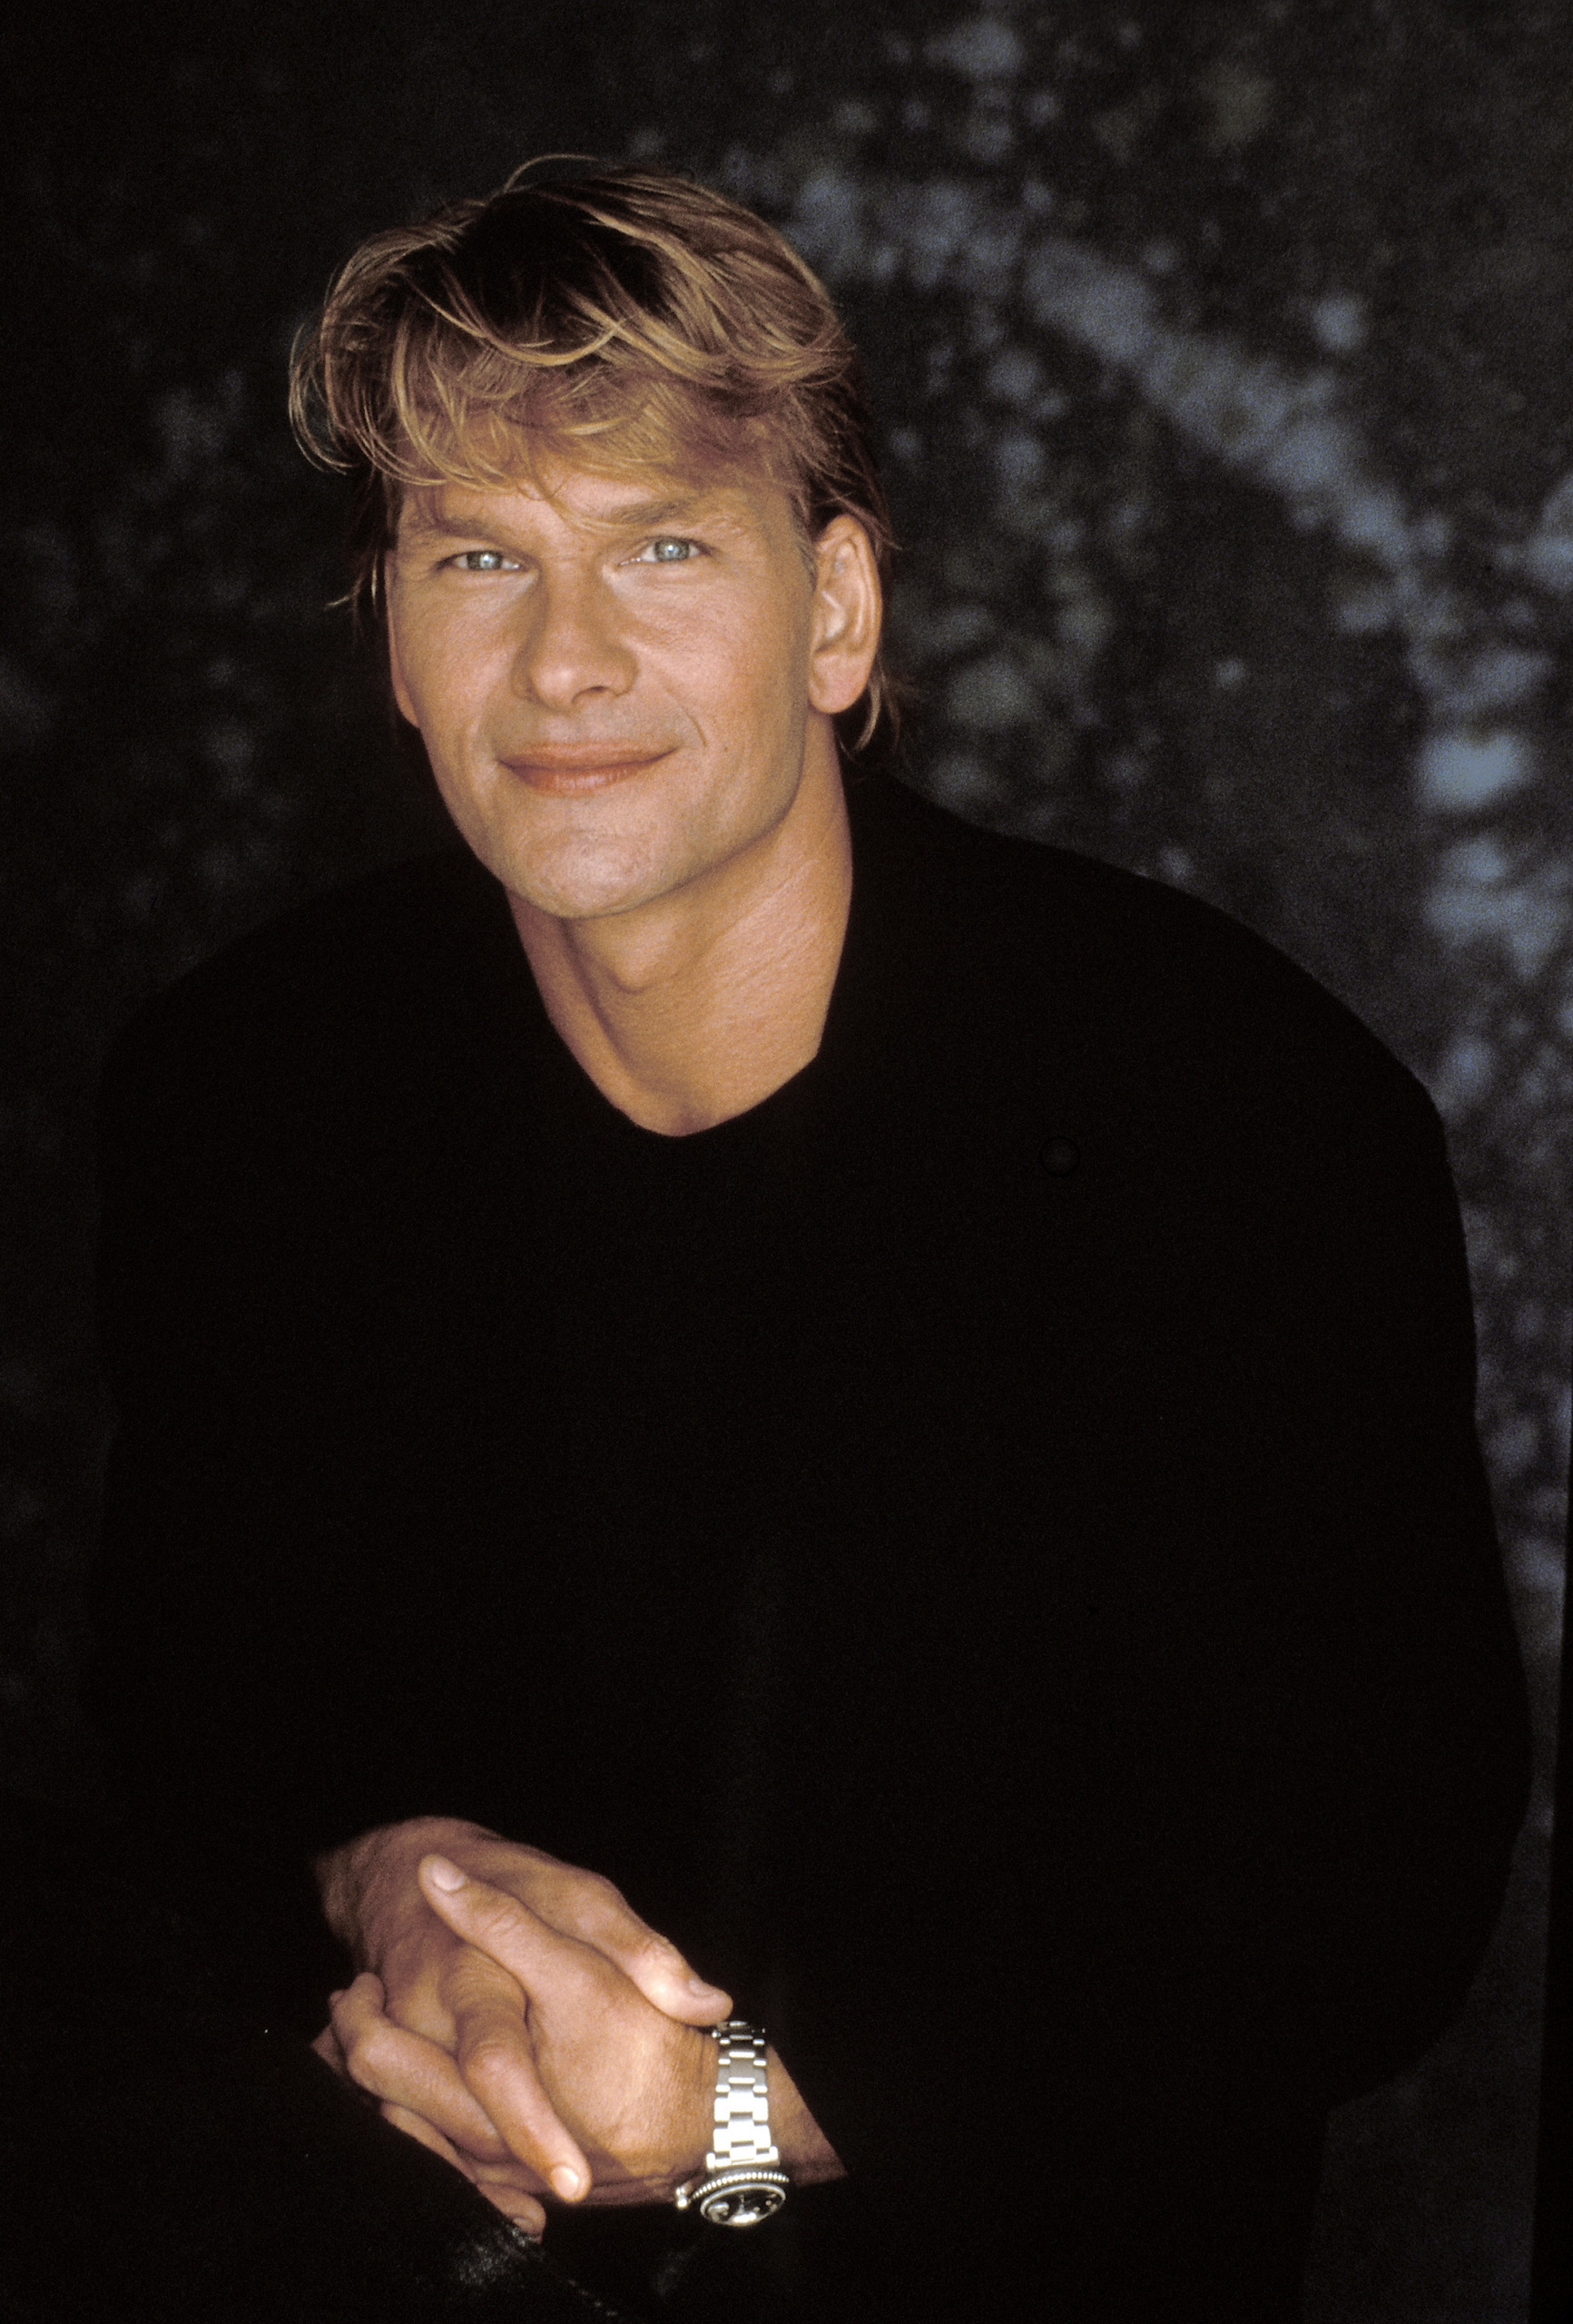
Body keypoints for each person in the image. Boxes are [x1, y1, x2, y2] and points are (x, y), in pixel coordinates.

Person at [89, 163, 1532, 2321]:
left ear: (838, 615)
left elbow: (1357, 1904)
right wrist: (387, 1879)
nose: (564, 658)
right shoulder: (245, 1090)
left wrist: (728, 2115)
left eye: (665, 545)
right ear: (393, 631)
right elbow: (182, 1728)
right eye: (479, 554)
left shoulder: (1234, 1119)